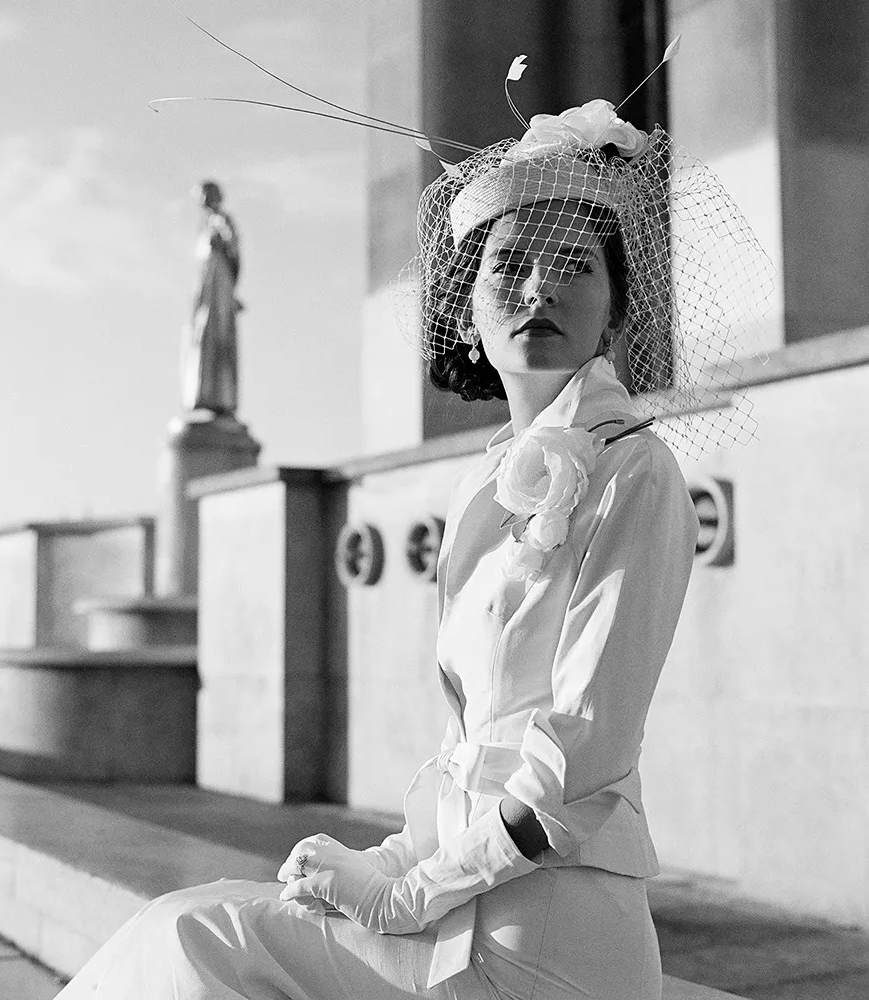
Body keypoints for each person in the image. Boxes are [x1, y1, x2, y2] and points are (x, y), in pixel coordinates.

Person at [57, 91, 769, 1000]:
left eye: (574, 266)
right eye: (510, 262)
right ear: (468, 306)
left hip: (546, 933)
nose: (540, 286)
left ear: (619, 306)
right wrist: (382, 857)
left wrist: (407, 891)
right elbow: (472, 749)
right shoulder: (485, 483)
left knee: (198, 937)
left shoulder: (637, 473)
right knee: (197, 924)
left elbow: (578, 754)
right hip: (460, 902)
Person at [182, 180, 242, 415]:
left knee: (218, 334)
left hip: (218, 284)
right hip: (206, 285)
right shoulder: (204, 224)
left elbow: (233, 250)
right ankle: (203, 394)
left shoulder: (221, 221)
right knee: (202, 338)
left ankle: (221, 397)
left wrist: (230, 290)